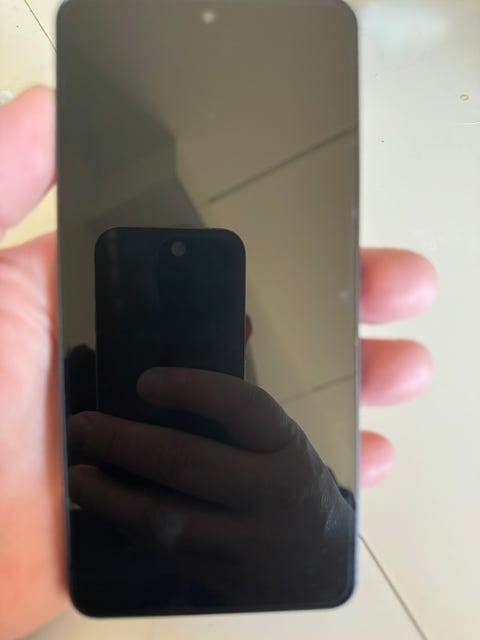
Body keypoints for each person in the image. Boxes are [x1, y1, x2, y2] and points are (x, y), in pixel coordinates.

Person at [0, 87, 437, 638]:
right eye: (140, 307)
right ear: (244, 332)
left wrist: (322, 538)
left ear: (244, 332)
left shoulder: (287, 473)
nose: (161, 328)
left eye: (192, 314)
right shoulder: (73, 386)